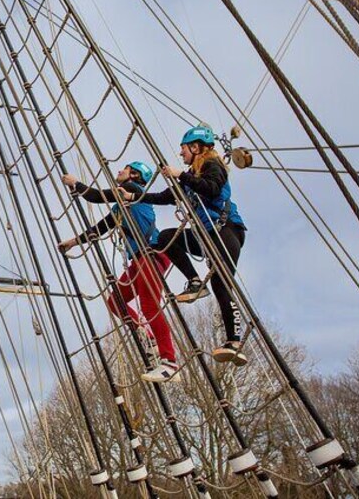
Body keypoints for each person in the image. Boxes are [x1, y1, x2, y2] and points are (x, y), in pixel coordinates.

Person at [119, 126, 247, 366]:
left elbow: (212, 188)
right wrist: (133, 198)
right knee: (167, 237)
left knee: (221, 281)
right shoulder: (190, 177)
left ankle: (235, 341)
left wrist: (181, 175)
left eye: (184, 149)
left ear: (196, 147)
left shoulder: (213, 166)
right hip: (205, 236)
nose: (181, 153)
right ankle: (195, 281)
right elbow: (163, 198)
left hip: (226, 231)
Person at [58, 161, 179, 383]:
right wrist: (74, 242)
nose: (119, 171)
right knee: (115, 301)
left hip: (151, 255)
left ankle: (169, 362)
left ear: (134, 175)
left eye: (125, 169)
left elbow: (96, 196)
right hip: (138, 260)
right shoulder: (121, 207)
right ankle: (148, 337)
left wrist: (76, 184)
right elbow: (100, 228)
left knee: (150, 305)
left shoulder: (134, 191)